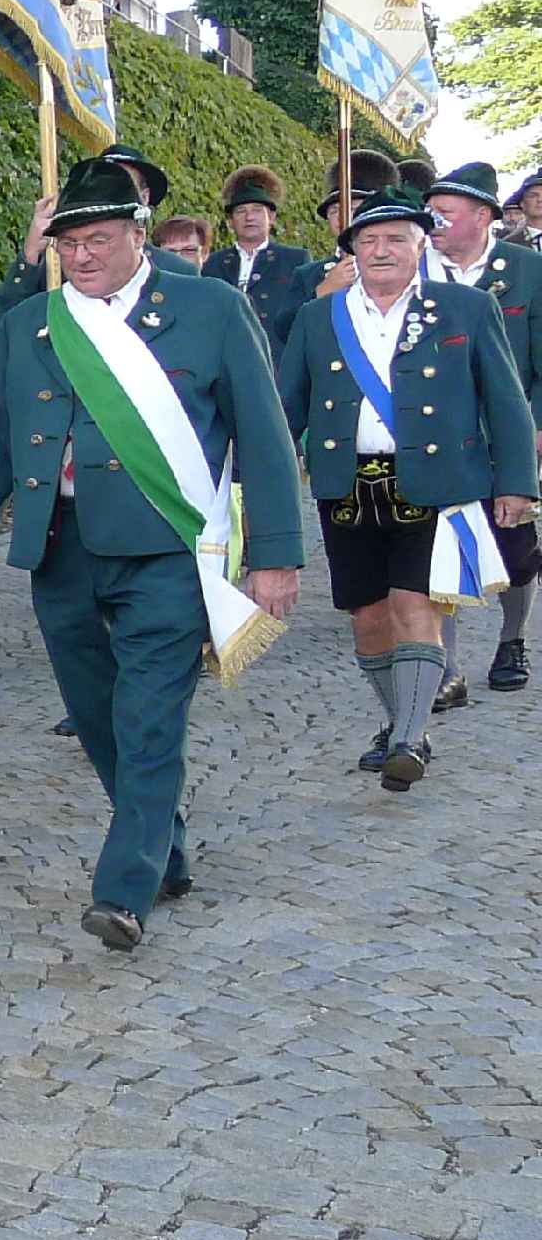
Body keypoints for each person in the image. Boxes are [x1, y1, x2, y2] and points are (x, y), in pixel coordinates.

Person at [0, 157, 304, 951]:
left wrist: (276, 555)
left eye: (97, 239)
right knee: (96, 715)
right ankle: (162, 844)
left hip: (168, 547)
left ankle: (124, 889)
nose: (81, 256)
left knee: (147, 716)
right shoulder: (30, 325)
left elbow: (263, 434)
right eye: (68, 243)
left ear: (137, 234)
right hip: (61, 545)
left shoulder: (209, 308)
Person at [277, 186, 539, 787]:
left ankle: (410, 737)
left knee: (415, 605)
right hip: (348, 486)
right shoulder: (320, 317)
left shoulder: (465, 308)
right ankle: (397, 718)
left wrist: (516, 483)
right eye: (368, 240)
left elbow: (505, 401)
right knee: (369, 618)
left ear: (421, 246)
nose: (381, 250)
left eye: (396, 239)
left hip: (437, 484)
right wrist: (254, 484)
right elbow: (285, 407)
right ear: (351, 252)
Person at [420, 161, 542, 696]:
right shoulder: (416, 269)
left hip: (507, 435)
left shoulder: (527, 269)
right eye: (431, 212)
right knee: (435, 546)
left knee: (516, 549)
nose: (434, 222)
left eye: (444, 213)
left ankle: (512, 639)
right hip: (435, 436)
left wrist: (536, 426)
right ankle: (445, 666)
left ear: (483, 216)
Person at [0, 142, 190, 333]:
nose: (82, 256)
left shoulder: (178, 271)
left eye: (121, 185)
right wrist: (31, 254)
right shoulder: (61, 266)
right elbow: (5, 326)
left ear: (144, 198)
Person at [204, 167, 309, 350]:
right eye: (241, 211)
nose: (249, 217)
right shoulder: (212, 263)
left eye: (257, 210)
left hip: (278, 358)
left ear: (272, 217)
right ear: (230, 221)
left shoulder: (295, 260)